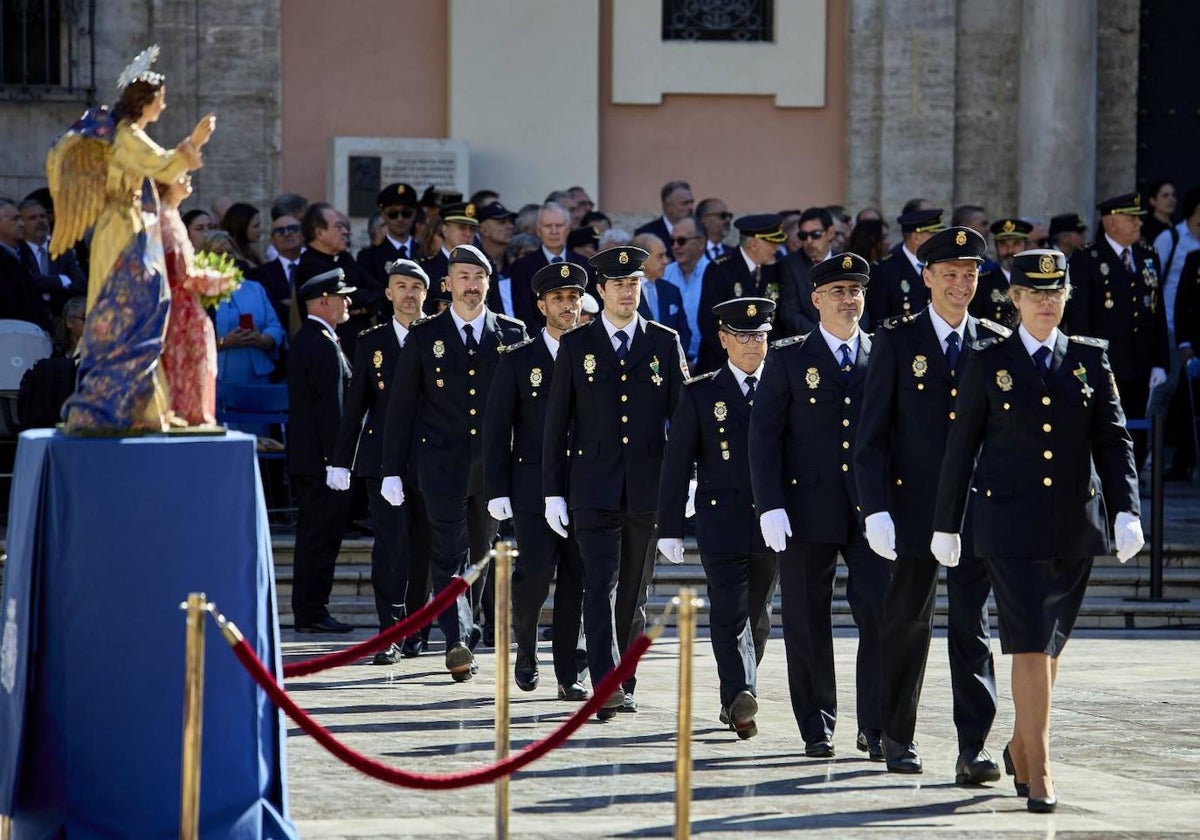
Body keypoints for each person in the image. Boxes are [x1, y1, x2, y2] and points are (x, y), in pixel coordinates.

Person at [932, 248, 1143, 812]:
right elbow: (962, 448)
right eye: (1034, 294)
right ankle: (1042, 769)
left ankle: (1022, 747)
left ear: (1065, 298)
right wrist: (945, 523)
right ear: (1015, 299)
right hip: (1007, 524)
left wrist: (1127, 510)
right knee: (1028, 641)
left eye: (1055, 294)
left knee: (1051, 646)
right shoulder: (986, 360)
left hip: (1074, 522)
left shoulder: (1089, 360)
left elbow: (1114, 442)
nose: (1046, 303)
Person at [854, 226, 1008, 783]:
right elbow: (870, 438)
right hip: (911, 508)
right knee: (906, 623)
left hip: (973, 514)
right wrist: (874, 510)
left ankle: (974, 748)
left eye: (970, 275)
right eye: (951, 274)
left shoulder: (993, 341)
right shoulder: (896, 340)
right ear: (927, 278)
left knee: (973, 629)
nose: (962, 284)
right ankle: (897, 734)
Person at [750, 254, 891, 759]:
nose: (848, 300)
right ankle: (816, 723)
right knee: (808, 619)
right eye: (837, 292)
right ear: (815, 300)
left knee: (880, 614)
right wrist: (769, 505)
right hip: (805, 508)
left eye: (855, 291)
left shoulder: (883, 353)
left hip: (872, 511)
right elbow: (763, 436)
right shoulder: (789, 357)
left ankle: (877, 724)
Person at [542, 245, 687, 720]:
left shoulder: (664, 342)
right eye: (619, 284)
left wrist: (686, 483)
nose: (628, 292)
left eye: (635, 283)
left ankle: (625, 676)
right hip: (591, 486)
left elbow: (683, 422)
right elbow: (556, 425)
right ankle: (605, 683)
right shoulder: (577, 345)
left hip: (647, 486)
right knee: (599, 584)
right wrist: (552, 491)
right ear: (600, 291)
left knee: (634, 593)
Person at [49, 45, 216, 434]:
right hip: (122, 230)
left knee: (146, 311)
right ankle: (112, 405)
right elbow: (162, 165)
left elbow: (162, 165)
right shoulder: (127, 137)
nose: (164, 106)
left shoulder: (130, 134)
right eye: (160, 100)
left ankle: (146, 407)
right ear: (145, 101)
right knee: (128, 311)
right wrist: (194, 141)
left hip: (136, 227)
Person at [380, 244, 527, 681]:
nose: (470, 285)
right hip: (440, 464)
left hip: (494, 468)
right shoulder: (426, 336)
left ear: (489, 283)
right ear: (448, 284)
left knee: (480, 555)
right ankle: (457, 638)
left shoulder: (511, 333)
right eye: (462, 277)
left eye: (478, 277)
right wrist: (391, 469)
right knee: (447, 554)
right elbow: (401, 408)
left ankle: (470, 626)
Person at [658, 297, 778, 739]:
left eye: (761, 336)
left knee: (759, 615)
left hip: (772, 522)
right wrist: (669, 527)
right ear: (724, 339)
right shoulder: (702, 392)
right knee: (729, 612)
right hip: (720, 519)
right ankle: (740, 694)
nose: (752, 344)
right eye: (743, 336)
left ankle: (735, 697)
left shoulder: (781, 386)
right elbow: (676, 463)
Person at [483, 261, 588, 700]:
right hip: (531, 485)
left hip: (584, 484)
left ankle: (571, 671)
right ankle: (526, 646)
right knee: (536, 572)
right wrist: (497, 489)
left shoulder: (592, 353)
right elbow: (495, 428)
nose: (567, 306)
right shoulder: (519, 360)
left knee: (580, 579)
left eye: (573, 297)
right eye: (558, 299)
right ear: (541, 304)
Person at [328, 259, 433, 664]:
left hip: (429, 459)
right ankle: (388, 633)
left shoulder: (438, 337)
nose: (408, 294)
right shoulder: (372, 341)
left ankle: (417, 629)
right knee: (390, 548)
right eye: (400, 286)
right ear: (388, 293)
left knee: (424, 547)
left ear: (426, 293)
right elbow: (356, 404)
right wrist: (341, 460)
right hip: (380, 459)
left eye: (415, 287)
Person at [1064, 192, 1169, 470]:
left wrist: (1160, 360)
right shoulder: (1088, 259)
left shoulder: (1148, 256)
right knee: (1105, 429)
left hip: (1142, 363)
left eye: (1139, 218)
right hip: (1105, 363)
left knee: (1138, 429)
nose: (1138, 224)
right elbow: (1079, 318)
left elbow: (1157, 311)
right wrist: (1084, 362)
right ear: (1111, 224)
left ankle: (1132, 484)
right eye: (1131, 218)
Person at [286, 266, 357, 634]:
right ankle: (313, 611)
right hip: (322, 463)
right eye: (342, 296)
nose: (348, 302)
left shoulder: (314, 339)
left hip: (314, 461)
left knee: (318, 537)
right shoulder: (320, 344)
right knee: (319, 538)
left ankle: (312, 609)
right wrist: (338, 461)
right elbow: (332, 413)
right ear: (324, 301)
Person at [160, 174, 219, 426]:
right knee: (186, 362)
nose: (187, 180)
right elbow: (182, 272)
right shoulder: (166, 220)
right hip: (180, 308)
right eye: (178, 176)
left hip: (185, 305)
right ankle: (186, 414)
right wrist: (219, 281)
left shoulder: (170, 217)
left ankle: (192, 413)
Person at [696, 214, 786, 373]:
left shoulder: (775, 266)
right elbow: (708, 323)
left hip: (763, 365)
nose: (776, 248)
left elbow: (778, 319)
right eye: (772, 243)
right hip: (722, 365)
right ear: (754, 244)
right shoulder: (720, 269)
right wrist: (739, 362)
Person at [506, 202, 591, 329]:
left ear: (568, 230)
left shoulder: (585, 264)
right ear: (539, 230)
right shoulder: (522, 267)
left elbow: (592, 308)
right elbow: (524, 315)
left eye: (559, 225)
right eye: (548, 226)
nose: (554, 231)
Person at [865, 207, 944, 329]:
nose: (939, 241)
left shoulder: (941, 265)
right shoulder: (884, 270)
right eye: (934, 235)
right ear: (916, 237)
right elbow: (879, 321)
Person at [662, 215, 709, 368]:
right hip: (670, 363)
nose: (676, 246)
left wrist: (698, 363)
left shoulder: (715, 274)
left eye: (681, 240)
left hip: (707, 362)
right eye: (672, 241)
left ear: (701, 242)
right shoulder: (664, 273)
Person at [357, 183, 421, 295]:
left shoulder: (426, 252)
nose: (400, 219)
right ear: (383, 216)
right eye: (393, 214)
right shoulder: (369, 257)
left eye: (406, 213)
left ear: (414, 214)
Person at [971, 217, 1032, 327]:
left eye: (1016, 244)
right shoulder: (983, 283)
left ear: (1026, 246)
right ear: (996, 247)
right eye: (1004, 245)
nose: (1010, 250)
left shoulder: (1036, 280)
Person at [634, 233, 691, 346]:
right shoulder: (625, 291)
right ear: (642, 258)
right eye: (660, 256)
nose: (666, 261)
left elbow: (684, 332)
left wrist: (675, 358)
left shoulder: (671, 291)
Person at [635, 180, 694, 255]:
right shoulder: (646, 233)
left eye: (691, 202)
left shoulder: (699, 231)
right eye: (685, 203)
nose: (690, 207)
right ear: (667, 206)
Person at [222, 202, 266, 268]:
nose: (261, 230)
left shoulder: (251, 250)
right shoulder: (231, 256)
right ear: (242, 227)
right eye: (256, 226)